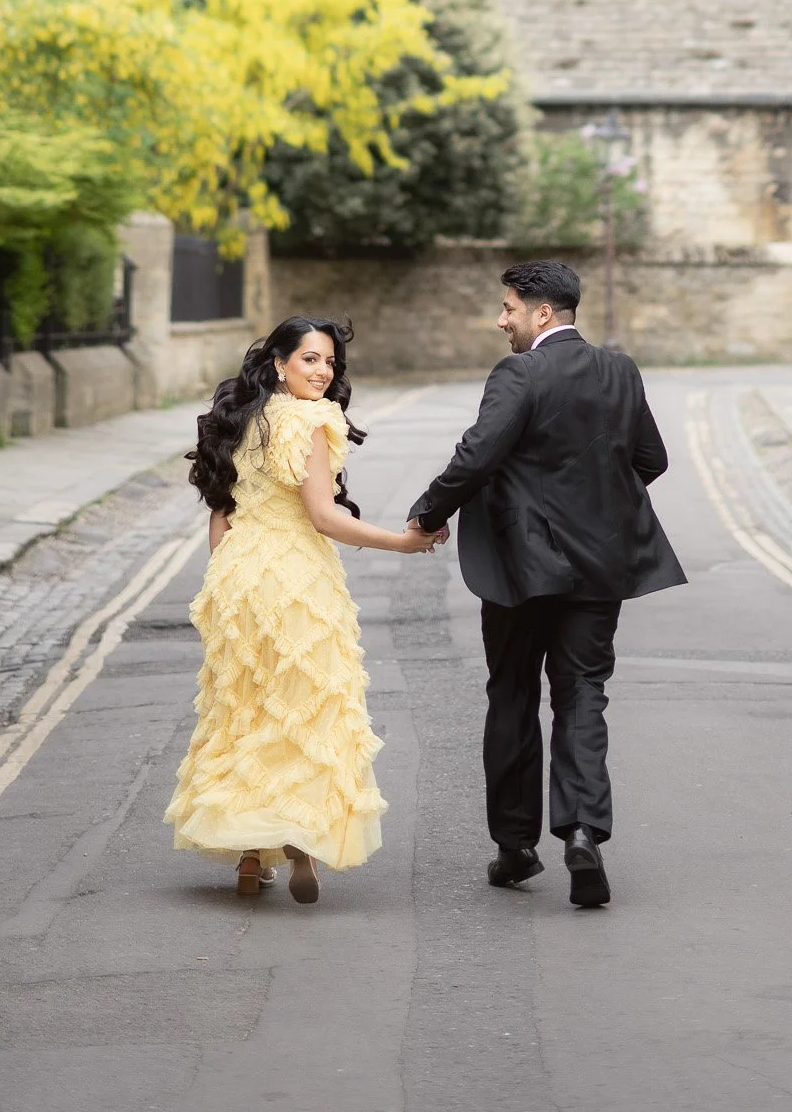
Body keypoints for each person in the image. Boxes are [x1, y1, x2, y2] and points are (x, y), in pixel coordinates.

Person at [408, 258, 684, 910]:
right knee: (583, 692)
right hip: (600, 568)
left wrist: (426, 515)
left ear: (541, 314)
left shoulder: (520, 371)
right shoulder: (620, 370)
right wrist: (596, 509)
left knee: (511, 695)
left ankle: (515, 847)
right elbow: (652, 459)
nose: (499, 321)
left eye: (507, 309)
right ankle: (584, 831)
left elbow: (478, 455)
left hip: (519, 569)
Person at [165, 315, 441, 906]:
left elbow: (222, 512)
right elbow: (323, 516)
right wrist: (403, 541)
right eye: (310, 359)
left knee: (244, 707)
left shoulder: (237, 420)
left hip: (238, 578)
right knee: (305, 706)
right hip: (296, 580)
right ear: (279, 364)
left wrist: (226, 581)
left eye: (330, 363)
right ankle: (299, 842)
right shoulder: (313, 421)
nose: (322, 372)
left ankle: (247, 856)